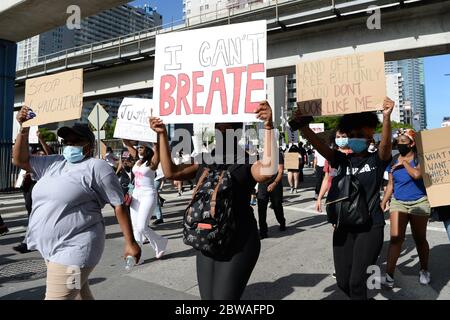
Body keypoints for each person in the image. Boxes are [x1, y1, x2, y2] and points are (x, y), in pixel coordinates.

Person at [149, 100, 277, 300]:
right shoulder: (204, 160)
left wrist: (269, 126)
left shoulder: (246, 162)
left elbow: (268, 170)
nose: (221, 130)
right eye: (218, 126)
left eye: (227, 126)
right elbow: (171, 171)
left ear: (238, 131)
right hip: (207, 238)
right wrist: (162, 134)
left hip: (239, 242)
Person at [12, 106, 141, 300]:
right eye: (68, 141)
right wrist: (23, 129)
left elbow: (118, 204)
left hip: (75, 251)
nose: (70, 145)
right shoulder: (53, 162)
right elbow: (19, 160)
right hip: (51, 249)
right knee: (81, 294)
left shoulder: (97, 167)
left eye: (76, 141)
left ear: (89, 145)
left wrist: (130, 242)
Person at [291, 97, 394, 300]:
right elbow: (320, 147)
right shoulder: (341, 160)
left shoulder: (377, 160)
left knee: (357, 282)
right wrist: (303, 126)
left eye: (360, 135)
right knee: (343, 282)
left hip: (370, 227)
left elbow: (386, 147)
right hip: (344, 227)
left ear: (369, 137)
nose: (354, 138)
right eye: (351, 134)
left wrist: (387, 118)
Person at [381, 128, 431, 287]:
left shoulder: (420, 159)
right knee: (396, 239)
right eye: (398, 141)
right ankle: (389, 275)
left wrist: (404, 163)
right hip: (398, 202)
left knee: (419, 239)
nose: (400, 144)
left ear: (412, 143)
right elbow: (390, 184)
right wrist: (384, 200)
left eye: (404, 141)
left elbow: (417, 175)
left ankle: (424, 269)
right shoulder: (393, 159)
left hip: (419, 203)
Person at [122, 139, 168, 259]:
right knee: (136, 227)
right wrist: (124, 135)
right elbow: (127, 143)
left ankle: (160, 242)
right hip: (135, 195)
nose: (138, 149)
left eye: (141, 147)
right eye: (138, 147)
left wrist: (155, 142)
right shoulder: (138, 160)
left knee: (142, 226)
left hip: (148, 195)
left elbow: (157, 148)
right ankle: (138, 256)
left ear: (148, 149)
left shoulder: (153, 162)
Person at [13, 131, 52, 254]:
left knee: (35, 215)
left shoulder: (46, 155)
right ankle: (31, 241)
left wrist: (41, 139)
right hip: (28, 185)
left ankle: (28, 243)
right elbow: (18, 159)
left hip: (40, 185)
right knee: (32, 212)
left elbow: (50, 154)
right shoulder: (28, 153)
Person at [315, 130, 352, 213]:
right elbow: (326, 178)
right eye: (338, 137)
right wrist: (319, 198)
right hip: (334, 196)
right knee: (335, 223)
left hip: (351, 197)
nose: (341, 139)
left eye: (344, 137)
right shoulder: (330, 155)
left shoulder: (355, 154)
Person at [257, 150, 286, 239]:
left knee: (277, 205)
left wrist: (274, 183)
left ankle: (282, 221)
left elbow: (280, 171)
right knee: (261, 207)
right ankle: (263, 231)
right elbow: (257, 170)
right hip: (262, 184)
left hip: (275, 183)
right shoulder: (261, 154)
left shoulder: (277, 154)